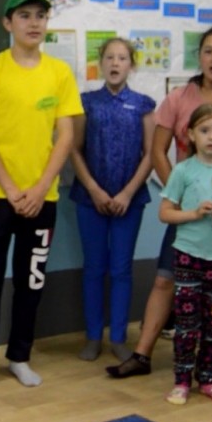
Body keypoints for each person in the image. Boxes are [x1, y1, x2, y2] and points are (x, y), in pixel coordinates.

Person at [107, 25, 212, 379]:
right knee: (165, 280)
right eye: (208, 51)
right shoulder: (180, 97)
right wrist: (180, 195)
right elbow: (158, 150)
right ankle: (142, 354)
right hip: (188, 213)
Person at [0, 0, 84, 396]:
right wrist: (12, 189)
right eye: (25, 16)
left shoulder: (59, 73)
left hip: (42, 199)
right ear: (8, 23)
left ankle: (20, 357)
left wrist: (41, 187)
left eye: (40, 16)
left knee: (31, 283)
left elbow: (66, 137)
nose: (33, 23)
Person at [68, 37, 155, 362]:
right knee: (94, 268)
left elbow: (151, 154)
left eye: (122, 58)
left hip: (129, 201)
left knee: (121, 269)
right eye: (109, 58)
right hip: (90, 199)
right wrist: (94, 189)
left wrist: (128, 192)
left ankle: (118, 337)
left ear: (131, 65)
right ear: (100, 63)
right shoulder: (87, 103)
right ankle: (93, 336)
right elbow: (74, 149)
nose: (115, 63)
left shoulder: (143, 105)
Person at [158, 104, 212, 405]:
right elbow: (165, 213)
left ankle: (208, 379)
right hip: (187, 256)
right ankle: (182, 380)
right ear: (191, 135)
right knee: (186, 324)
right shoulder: (183, 170)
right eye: (205, 130)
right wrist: (194, 214)